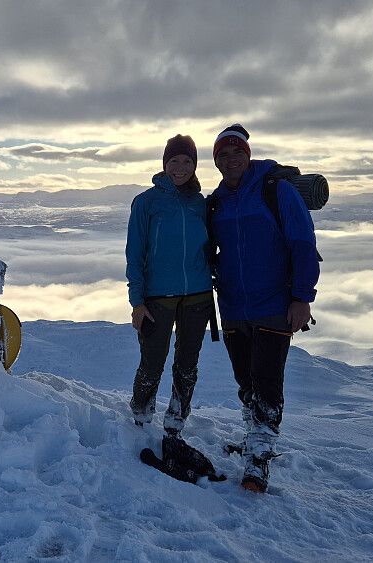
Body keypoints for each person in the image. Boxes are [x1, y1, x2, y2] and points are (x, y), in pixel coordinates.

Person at [206, 124, 320, 493]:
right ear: (217, 162)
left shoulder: (277, 191)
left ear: (248, 155)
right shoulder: (216, 202)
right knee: (246, 381)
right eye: (223, 154)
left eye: (236, 151)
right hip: (234, 306)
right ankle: (254, 438)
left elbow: (303, 243)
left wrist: (302, 297)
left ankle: (258, 458)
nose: (231, 158)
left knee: (267, 383)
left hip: (274, 303)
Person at [125, 135, 215, 437]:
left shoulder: (199, 203)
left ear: (195, 165)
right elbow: (135, 255)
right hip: (157, 296)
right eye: (174, 160)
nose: (180, 167)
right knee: (152, 363)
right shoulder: (146, 202)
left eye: (187, 161)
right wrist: (137, 302)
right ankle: (140, 416)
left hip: (198, 295)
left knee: (187, 365)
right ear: (164, 164)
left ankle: (176, 421)